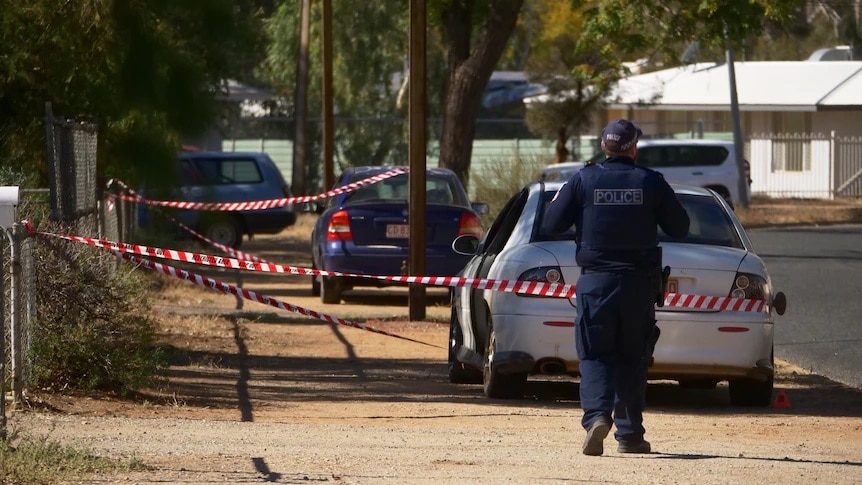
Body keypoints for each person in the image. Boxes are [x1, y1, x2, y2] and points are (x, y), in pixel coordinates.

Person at [542, 119, 690, 456]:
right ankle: (630, 436)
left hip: (595, 282)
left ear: (604, 146)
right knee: (632, 356)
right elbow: (680, 227)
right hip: (638, 285)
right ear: (633, 146)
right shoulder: (651, 182)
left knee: (595, 353)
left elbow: (552, 224)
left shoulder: (583, 179)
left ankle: (596, 417)